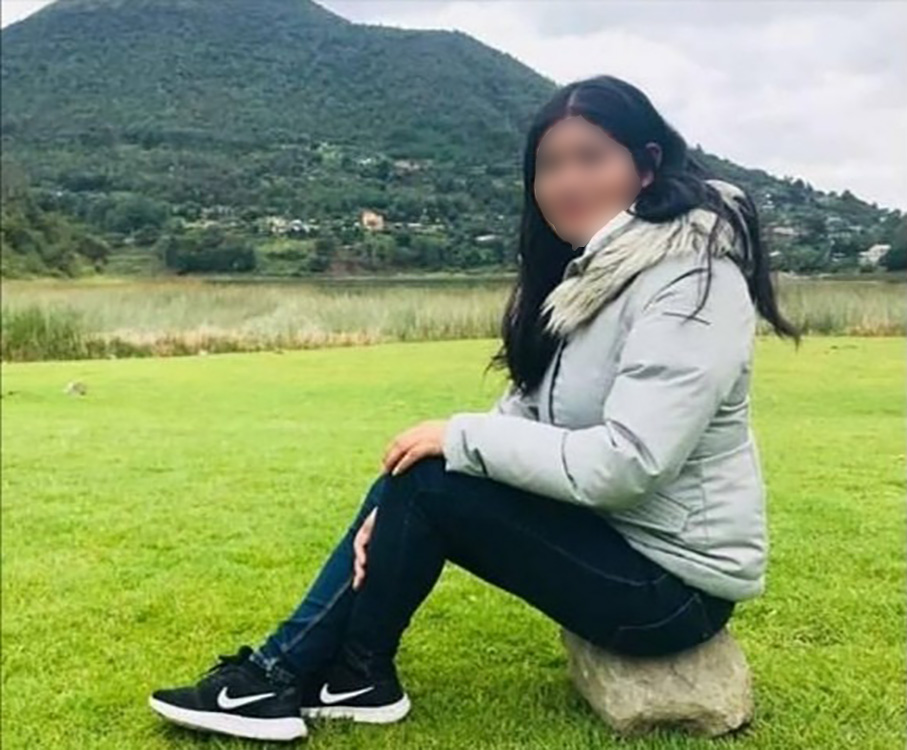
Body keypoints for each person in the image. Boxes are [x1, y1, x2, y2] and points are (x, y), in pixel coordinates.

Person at [148, 74, 801, 743]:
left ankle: (279, 674)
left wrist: (456, 443)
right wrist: (391, 512)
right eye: (550, 164)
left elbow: (627, 462)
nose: (567, 182)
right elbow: (524, 416)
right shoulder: (593, 277)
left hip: (674, 587)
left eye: (591, 158)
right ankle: (354, 677)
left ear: (646, 165)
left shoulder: (692, 279)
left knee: (434, 472)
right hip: (614, 541)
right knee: (418, 474)